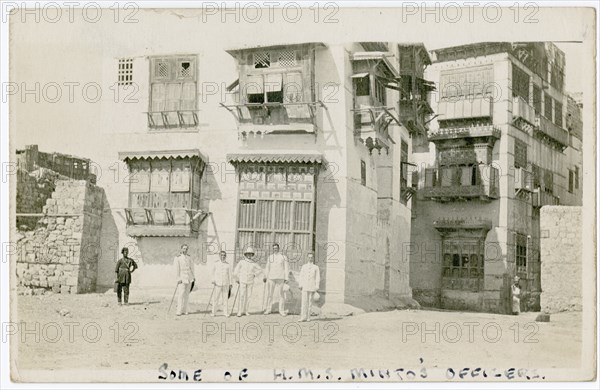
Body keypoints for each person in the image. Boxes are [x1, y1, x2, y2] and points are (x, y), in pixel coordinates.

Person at [234, 247, 264, 317]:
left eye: (250, 254)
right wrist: (237, 279)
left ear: (252, 255)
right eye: (248, 254)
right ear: (246, 254)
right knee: (242, 295)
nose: (249, 255)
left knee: (249, 296)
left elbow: (260, 269)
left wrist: (255, 274)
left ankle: (246, 311)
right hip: (242, 281)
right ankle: (240, 311)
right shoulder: (241, 262)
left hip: (250, 281)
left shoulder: (254, 263)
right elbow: (235, 271)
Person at [263, 243, 290, 316]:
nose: (275, 249)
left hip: (280, 277)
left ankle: (281, 310)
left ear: (279, 248)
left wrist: (286, 278)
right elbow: (267, 267)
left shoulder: (283, 257)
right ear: (273, 249)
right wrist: (265, 276)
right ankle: (268, 309)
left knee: (281, 295)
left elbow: (286, 268)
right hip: (271, 277)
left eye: (276, 248)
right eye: (274, 248)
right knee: (270, 294)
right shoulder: (270, 257)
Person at [174, 244, 195, 316]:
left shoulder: (189, 257)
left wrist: (193, 277)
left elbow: (192, 268)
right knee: (181, 295)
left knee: (186, 295)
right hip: (182, 279)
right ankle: (179, 311)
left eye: (186, 249)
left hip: (189, 278)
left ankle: (185, 310)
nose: (185, 250)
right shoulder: (178, 258)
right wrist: (178, 278)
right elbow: (176, 269)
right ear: (181, 249)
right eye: (184, 248)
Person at [298, 253, 320, 322]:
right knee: (304, 301)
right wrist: (300, 284)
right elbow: (301, 276)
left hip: (312, 285)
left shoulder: (316, 267)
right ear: (307, 258)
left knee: (310, 302)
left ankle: (308, 317)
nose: (310, 259)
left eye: (311, 257)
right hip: (305, 285)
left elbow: (317, 277)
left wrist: (317, 286)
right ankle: (302, 317)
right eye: (309, 257)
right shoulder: (304, 266)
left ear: (313, 258)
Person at [212, 250, 232, 317]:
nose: (223, 257)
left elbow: (230, 275)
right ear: (219, 256)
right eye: (221, 255)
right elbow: (212, 273)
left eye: (224, 255)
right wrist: (213, 280)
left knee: (225, 299)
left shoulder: (228, 265)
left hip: (225, 283)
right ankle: (213, 312)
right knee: (215, 299)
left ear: (225, 256)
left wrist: (230, 284)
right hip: (217, 283)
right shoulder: (216, 263)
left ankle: (225, 313)